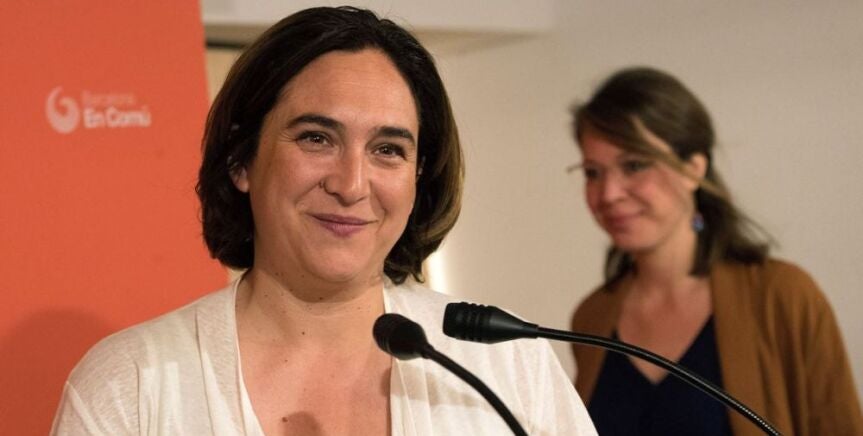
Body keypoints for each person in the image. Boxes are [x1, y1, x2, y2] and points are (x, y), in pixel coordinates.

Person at [51, 6, 596, 435]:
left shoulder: (505, 364)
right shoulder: (133, 384)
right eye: (316, 138)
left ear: (418, 176)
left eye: (388, 150)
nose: (351, 185)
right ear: (241, 160)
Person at [567, 66, 863, 436]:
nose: (609, 193)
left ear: (693, 169)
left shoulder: (783, 296)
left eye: (635, 165)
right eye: (592, 172)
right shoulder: (591, 316)